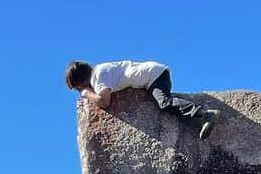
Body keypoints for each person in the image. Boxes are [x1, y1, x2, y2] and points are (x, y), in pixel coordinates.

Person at [65, 59, 218, 139]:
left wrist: (86, 94)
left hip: (154, 76)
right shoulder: (101, 71)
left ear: (82, 81)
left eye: (78, 88)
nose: (81, 91)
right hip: (154, 74)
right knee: (163, 102)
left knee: (164, 102)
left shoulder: (98, 76)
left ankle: (205, 114)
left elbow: (104, 102)